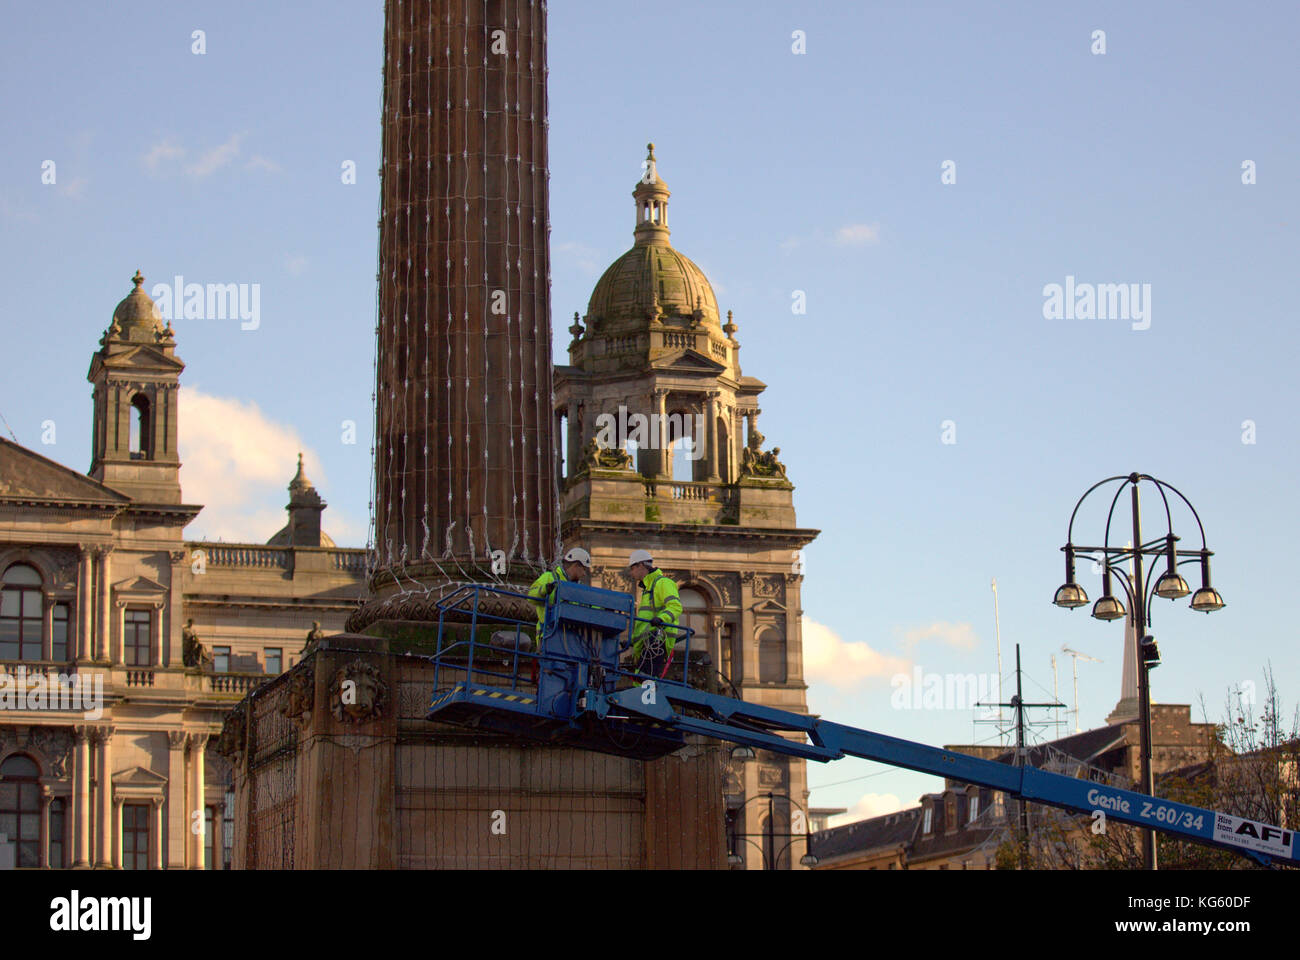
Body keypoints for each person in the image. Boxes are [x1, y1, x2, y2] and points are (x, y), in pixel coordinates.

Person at [626, 549, 682, 679]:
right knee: (640, 683)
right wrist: (632, 641)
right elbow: (644, 622)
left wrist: (661, 618)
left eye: (632, 568)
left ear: (641, 565)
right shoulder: (648, 589)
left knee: (645, 683)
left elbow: (675, 607)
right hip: (645, 646)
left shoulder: (663, 583)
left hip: (657, 643)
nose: (631, 572)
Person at [526, 547, 592, 646]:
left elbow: (589, 605)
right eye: (584, 569)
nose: (584, 574)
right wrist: (544, 590)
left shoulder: (579, 588)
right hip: (548, 635)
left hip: (570, 640)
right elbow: (531, 596)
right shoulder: (549, 577)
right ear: (576, 565)